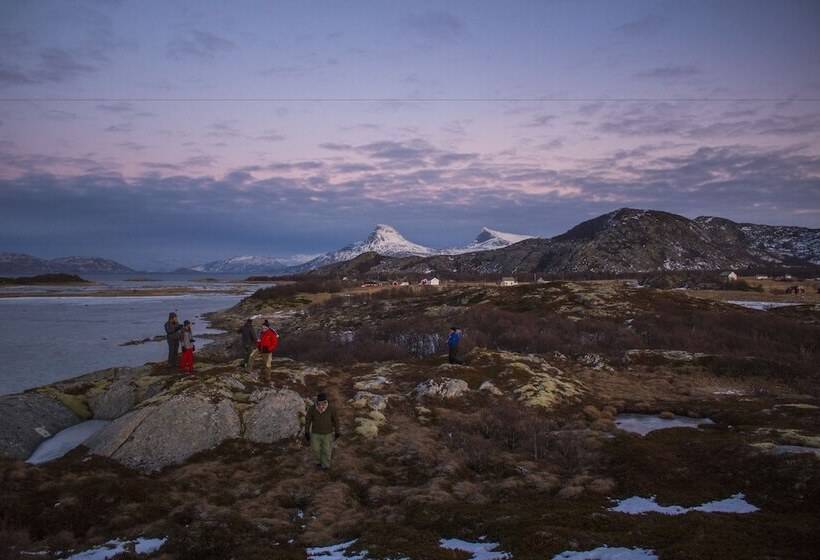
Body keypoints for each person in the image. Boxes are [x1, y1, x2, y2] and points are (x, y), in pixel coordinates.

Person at [304, 392, 340, 470]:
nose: (321, 405)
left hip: (327, 434)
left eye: (323, 402)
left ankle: (325, 465)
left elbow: (336, 421)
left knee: (326, 450)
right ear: (317, 401)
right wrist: (306, 432)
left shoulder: (331, 409)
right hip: (315, 433)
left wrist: (337, 431)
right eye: (319, 402)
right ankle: (319, 462)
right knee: (315, 449)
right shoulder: (312, 409)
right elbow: (308, 420)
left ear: (325, 401)